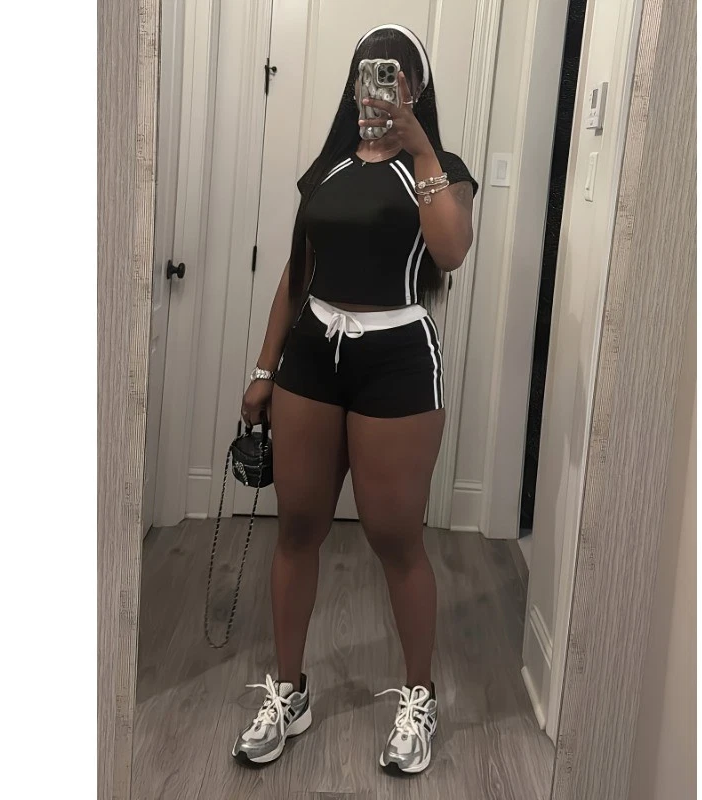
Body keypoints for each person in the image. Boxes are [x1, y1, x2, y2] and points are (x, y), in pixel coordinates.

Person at [231, 24, 478, 775]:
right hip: (311, 354)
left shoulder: (444, 169)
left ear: (416, 88)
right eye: (370, 72)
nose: (380, 86)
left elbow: (450, 251)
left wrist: (422, 149)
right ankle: (289, 691)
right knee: (297, 527)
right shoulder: (328, 169)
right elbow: (296, 270)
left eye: (396, 74)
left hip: (397, 359)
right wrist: (264, 367)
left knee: (396, 538)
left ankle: (419, 696)